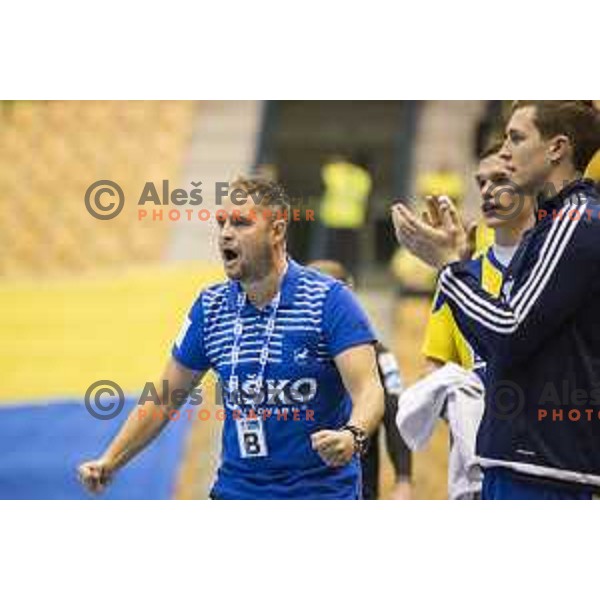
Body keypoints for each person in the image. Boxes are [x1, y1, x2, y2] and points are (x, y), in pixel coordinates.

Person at [79, 176, 384, 500]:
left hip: (320, 495)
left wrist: (353, 435)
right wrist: (111, 460)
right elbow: (166, 396)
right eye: (221, 223)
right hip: (236, 492)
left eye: (240, 223)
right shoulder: (209, 307)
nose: (226, 233)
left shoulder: (330, 300)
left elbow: (369, 389)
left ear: (277, 232)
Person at [392, 100, 600, 499]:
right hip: (522, 461)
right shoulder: (549, 224)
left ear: (557, 148)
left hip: (543, 469)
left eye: (517, 138)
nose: (505, 151)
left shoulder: (573, 220)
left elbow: (508, 331)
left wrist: (448, 267)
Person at [401, 144, 535, 500]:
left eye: (501, 180)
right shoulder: (461, 276)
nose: (488, 190)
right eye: (481, 182)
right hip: (477, 474)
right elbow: (435, 369)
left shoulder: (560, 265)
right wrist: (462, 399)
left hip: (547, 465)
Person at [308, 259, 412, 500]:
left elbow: (396, 411)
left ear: (350, 294)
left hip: (357, 487)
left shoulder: (382, 355)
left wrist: (403, 478)